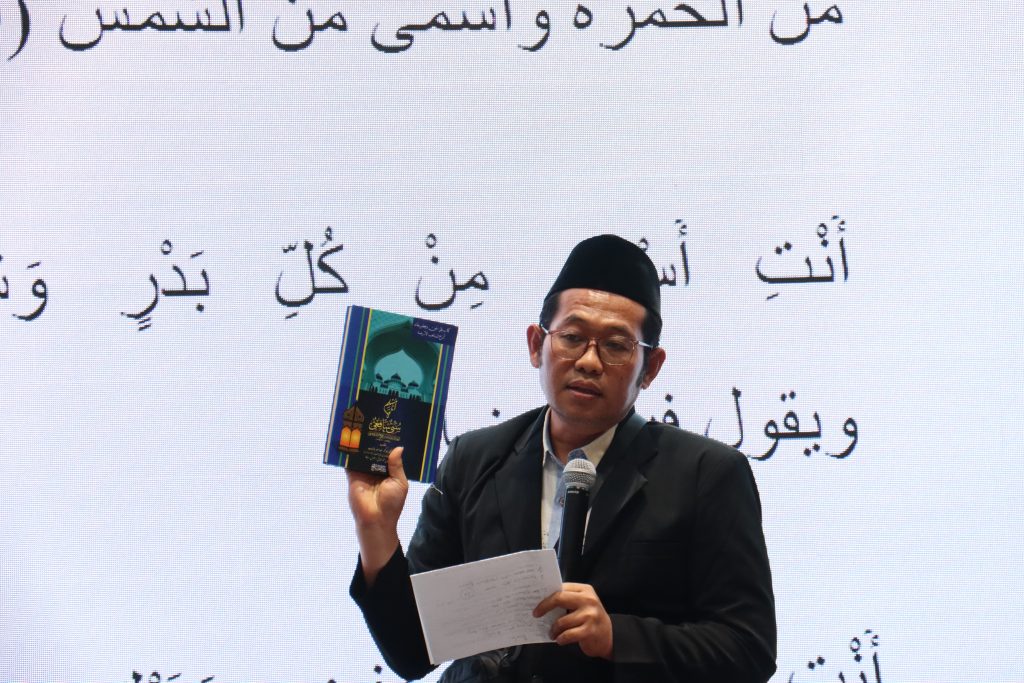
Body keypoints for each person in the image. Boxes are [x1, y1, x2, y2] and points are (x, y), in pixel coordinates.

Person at [347, 234, 776, 682]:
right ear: (537, 345)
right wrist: (376, 531)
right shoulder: (472, 459)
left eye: (616, 346)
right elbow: (414, 653)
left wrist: (617, 637)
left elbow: (749, 649)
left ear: (650, 368)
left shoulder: (707, 474)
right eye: (572, 337)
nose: (589, 361)